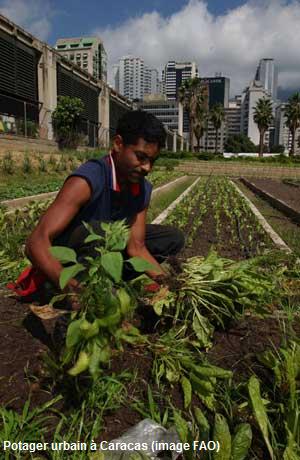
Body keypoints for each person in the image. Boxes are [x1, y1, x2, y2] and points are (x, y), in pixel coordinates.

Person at [22, 110, 184, 307]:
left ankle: (108, 282)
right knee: (101, 232)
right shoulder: (89, 180)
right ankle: (69, 290)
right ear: (118, 144)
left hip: (102, 258)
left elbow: (136, 247)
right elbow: (36, 242)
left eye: (152, 161)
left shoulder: (142, 189)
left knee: (171, 238)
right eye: (141, 157)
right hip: (66, 266)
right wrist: (71, 289)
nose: (147, 168)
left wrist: (168, 284)